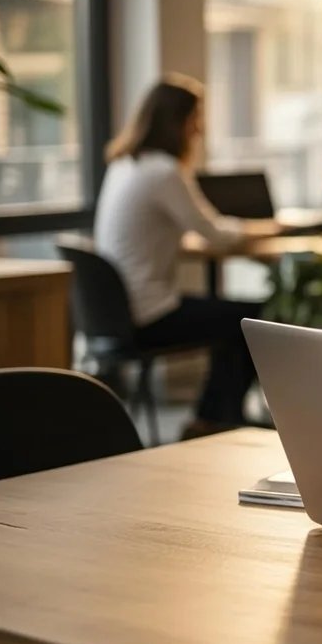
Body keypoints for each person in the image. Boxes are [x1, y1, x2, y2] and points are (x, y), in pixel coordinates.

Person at [94, 74, 275, 439]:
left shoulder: (124, 164)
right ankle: (214, 420)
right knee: (253, 319)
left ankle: (216, 416)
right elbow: (216, 234)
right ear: (177, 121)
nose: (200, 129)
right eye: (196, 118)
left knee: (233, 318)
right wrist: (270, 228)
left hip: (114, 313)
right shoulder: (163, 172)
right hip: (149, 314)